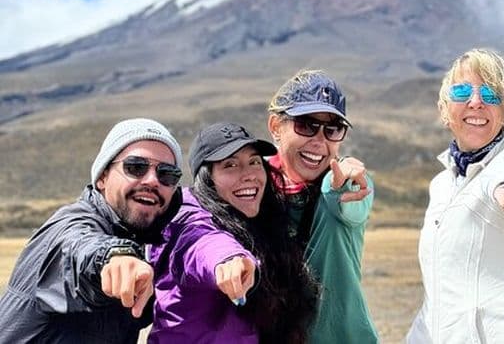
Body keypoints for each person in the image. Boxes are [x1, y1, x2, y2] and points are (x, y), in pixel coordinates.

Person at [406, 48, 504, 344]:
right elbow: (439, 297)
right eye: (463, 91)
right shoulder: (441, 183)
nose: (476, 102)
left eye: (491, 95)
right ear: (444, 107)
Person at [0, 118, 184, 344]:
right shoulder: (69, 225)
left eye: (167, 174)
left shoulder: (147, 241)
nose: (152, 181)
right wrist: (114, 256)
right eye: (136, 167)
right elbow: (77, 247)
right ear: (103, 177)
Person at [148, 122, 317, 343]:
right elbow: (200, 243)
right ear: (207, 178)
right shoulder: (184, 218)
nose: (249, 175)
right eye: (230, 165)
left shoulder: (258, 223)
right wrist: (227, 259)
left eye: (254, 162)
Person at [266, 69, 379, 344]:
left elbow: (347, 202)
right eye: (306, 124)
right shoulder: (254, 189)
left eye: (333, 129)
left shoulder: (349, 184)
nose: (319, 140)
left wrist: (340, 187)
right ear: (275, 127)